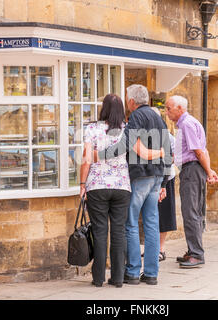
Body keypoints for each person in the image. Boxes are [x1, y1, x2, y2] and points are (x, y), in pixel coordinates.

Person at [80, 94, 163, 288]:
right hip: (122, 187)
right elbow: (142, 153)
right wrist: (161, 152)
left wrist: (82, 184)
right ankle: (117, 278)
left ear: (103, 108)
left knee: (100, 231)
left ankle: (98, 278)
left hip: (97, 186)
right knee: (118, 232)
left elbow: (86, 159)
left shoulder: (92, 128)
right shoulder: (127, 130)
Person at [96, 85, 172, 285]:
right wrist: (164, 182)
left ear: (131, 101)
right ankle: (151, 274)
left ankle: (132, 271)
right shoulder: (158, 118)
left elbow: (125, 145)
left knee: (130, 223)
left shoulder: (137, 116)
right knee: (151, 224)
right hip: (156, 177)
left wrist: (101, 155)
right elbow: (168, 150)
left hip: (140, 176)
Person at [165, 95, 218, 269]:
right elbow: (203, 151)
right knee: (192, 211)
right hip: (193, 169)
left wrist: (209, 171)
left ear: (180, 108)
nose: (167, 112)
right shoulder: (188, 123)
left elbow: (198, 152)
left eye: (169, 108)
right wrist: (208, 172)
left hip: (192, 170)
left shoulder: (187, 124)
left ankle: (196, 254)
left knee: (191, 212)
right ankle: (192, 251)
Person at [151, 107, 177, 262]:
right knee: (151, 214)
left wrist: (164, 183)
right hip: (150, 179)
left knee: (164, 213)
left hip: (165, 178)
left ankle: (161, 249)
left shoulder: (166, 135)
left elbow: (174, 156)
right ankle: (152, 248)